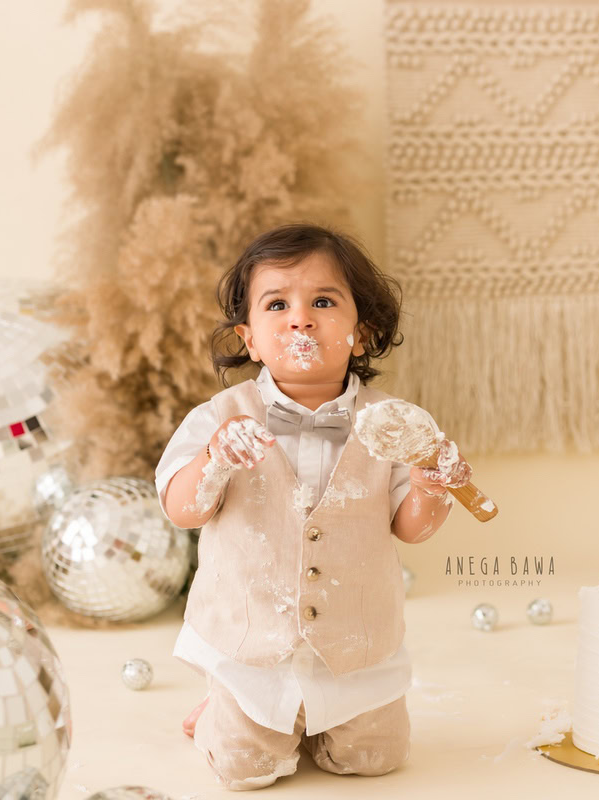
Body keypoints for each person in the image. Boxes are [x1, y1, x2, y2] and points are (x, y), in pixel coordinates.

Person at [154, 223, 472, 789]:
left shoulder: (394, 423)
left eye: (323, 301)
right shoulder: (219, 416)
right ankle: (222, 711)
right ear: (249, 338)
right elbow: (182, 509)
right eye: (277, 304)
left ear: (361, 332)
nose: (300, 317)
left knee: (376, 759)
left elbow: (412, 529)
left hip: (354, 644)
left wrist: (429, 486)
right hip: (253, 650)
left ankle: (329, 724)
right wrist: (215, 458)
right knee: (245, 769)